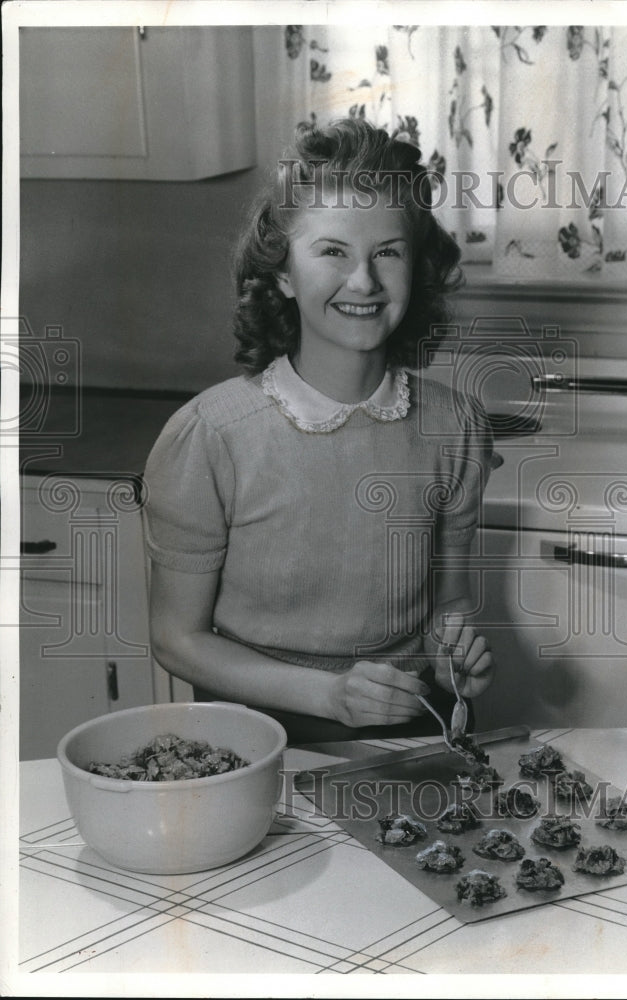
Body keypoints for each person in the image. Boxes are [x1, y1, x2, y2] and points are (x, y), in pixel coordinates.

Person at [143, 118, 497, 745]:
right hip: (253, 744)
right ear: (282, 273)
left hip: (409, 734)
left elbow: (451, 606)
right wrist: (330, 695)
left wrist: (453, 656)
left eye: (387, 252)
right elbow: (177, 639)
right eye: (332, 251)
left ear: (416, 269)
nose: (363, 281)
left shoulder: (456, 426)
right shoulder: (209, 436)